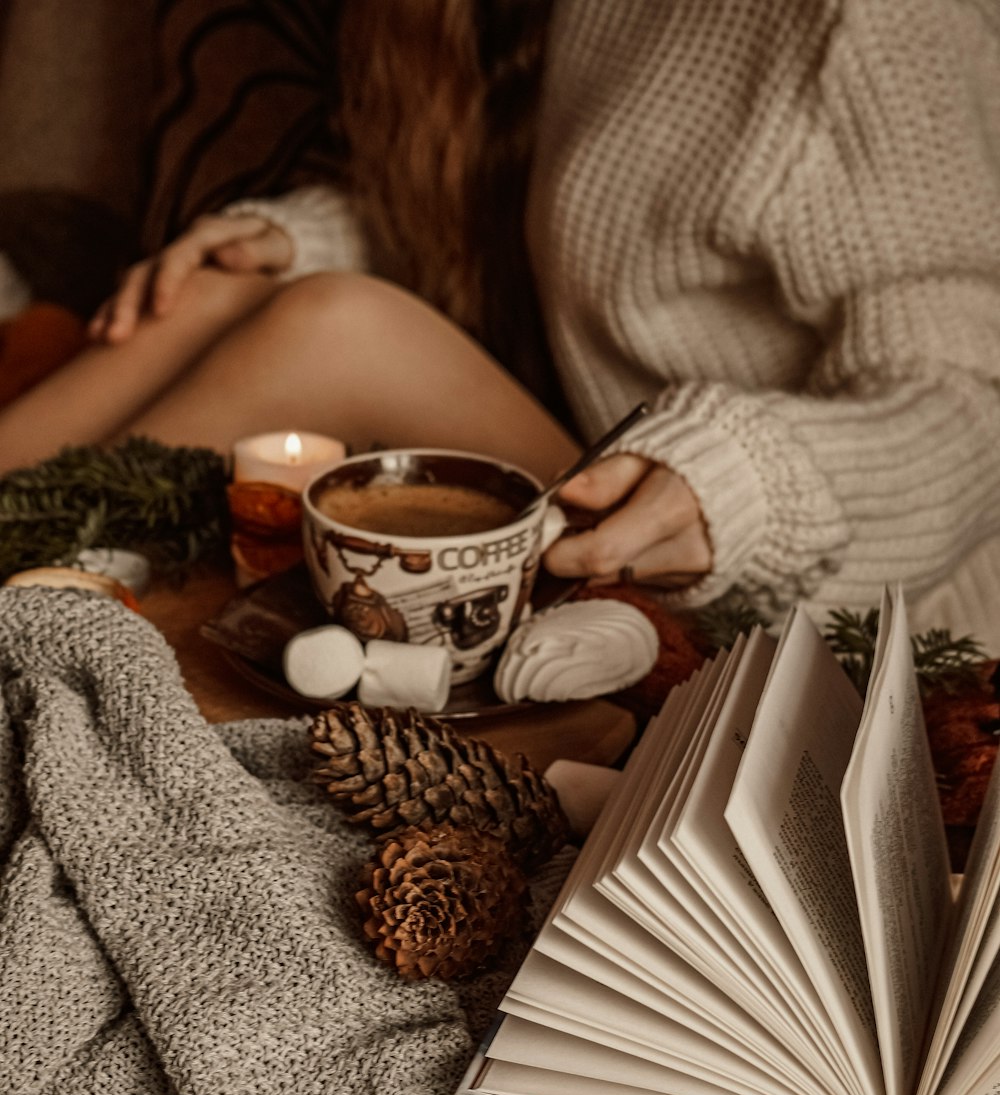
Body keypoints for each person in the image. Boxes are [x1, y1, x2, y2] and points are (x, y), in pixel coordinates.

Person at [0, 0, 998, 638]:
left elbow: (970, 401)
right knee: (225, 290)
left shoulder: (865, 21)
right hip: (611, 499)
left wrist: (748, 486)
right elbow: (559, 230)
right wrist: (295, 238)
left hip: (835, 596)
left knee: (336, 324)